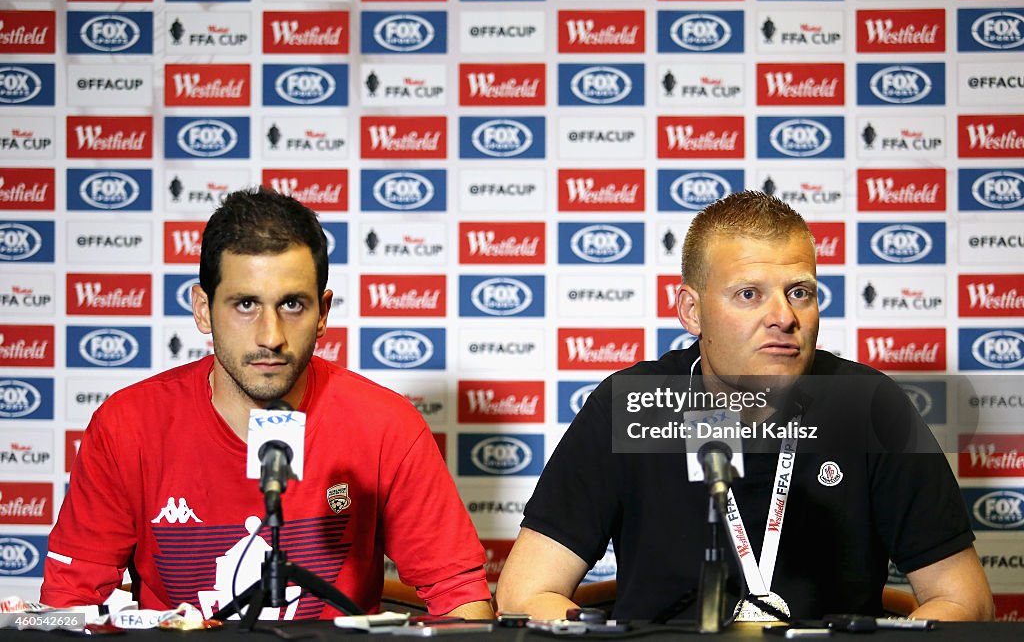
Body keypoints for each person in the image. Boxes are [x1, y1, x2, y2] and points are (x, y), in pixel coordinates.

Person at [496, 192, 993, 622]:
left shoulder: (871, 408)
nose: (783, 317)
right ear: (692, 311)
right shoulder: (631, 406)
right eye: (749, 294)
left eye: (799, 292)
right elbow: (525, 595)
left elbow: (964, 600)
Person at [43, 189, 493, 620]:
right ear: (202, 309)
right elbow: (71, 600)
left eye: (293, 304)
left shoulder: (386, 426)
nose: (270, 336)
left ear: (323, 313)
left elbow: (458, 595)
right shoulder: (128, 426)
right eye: (245, 304)